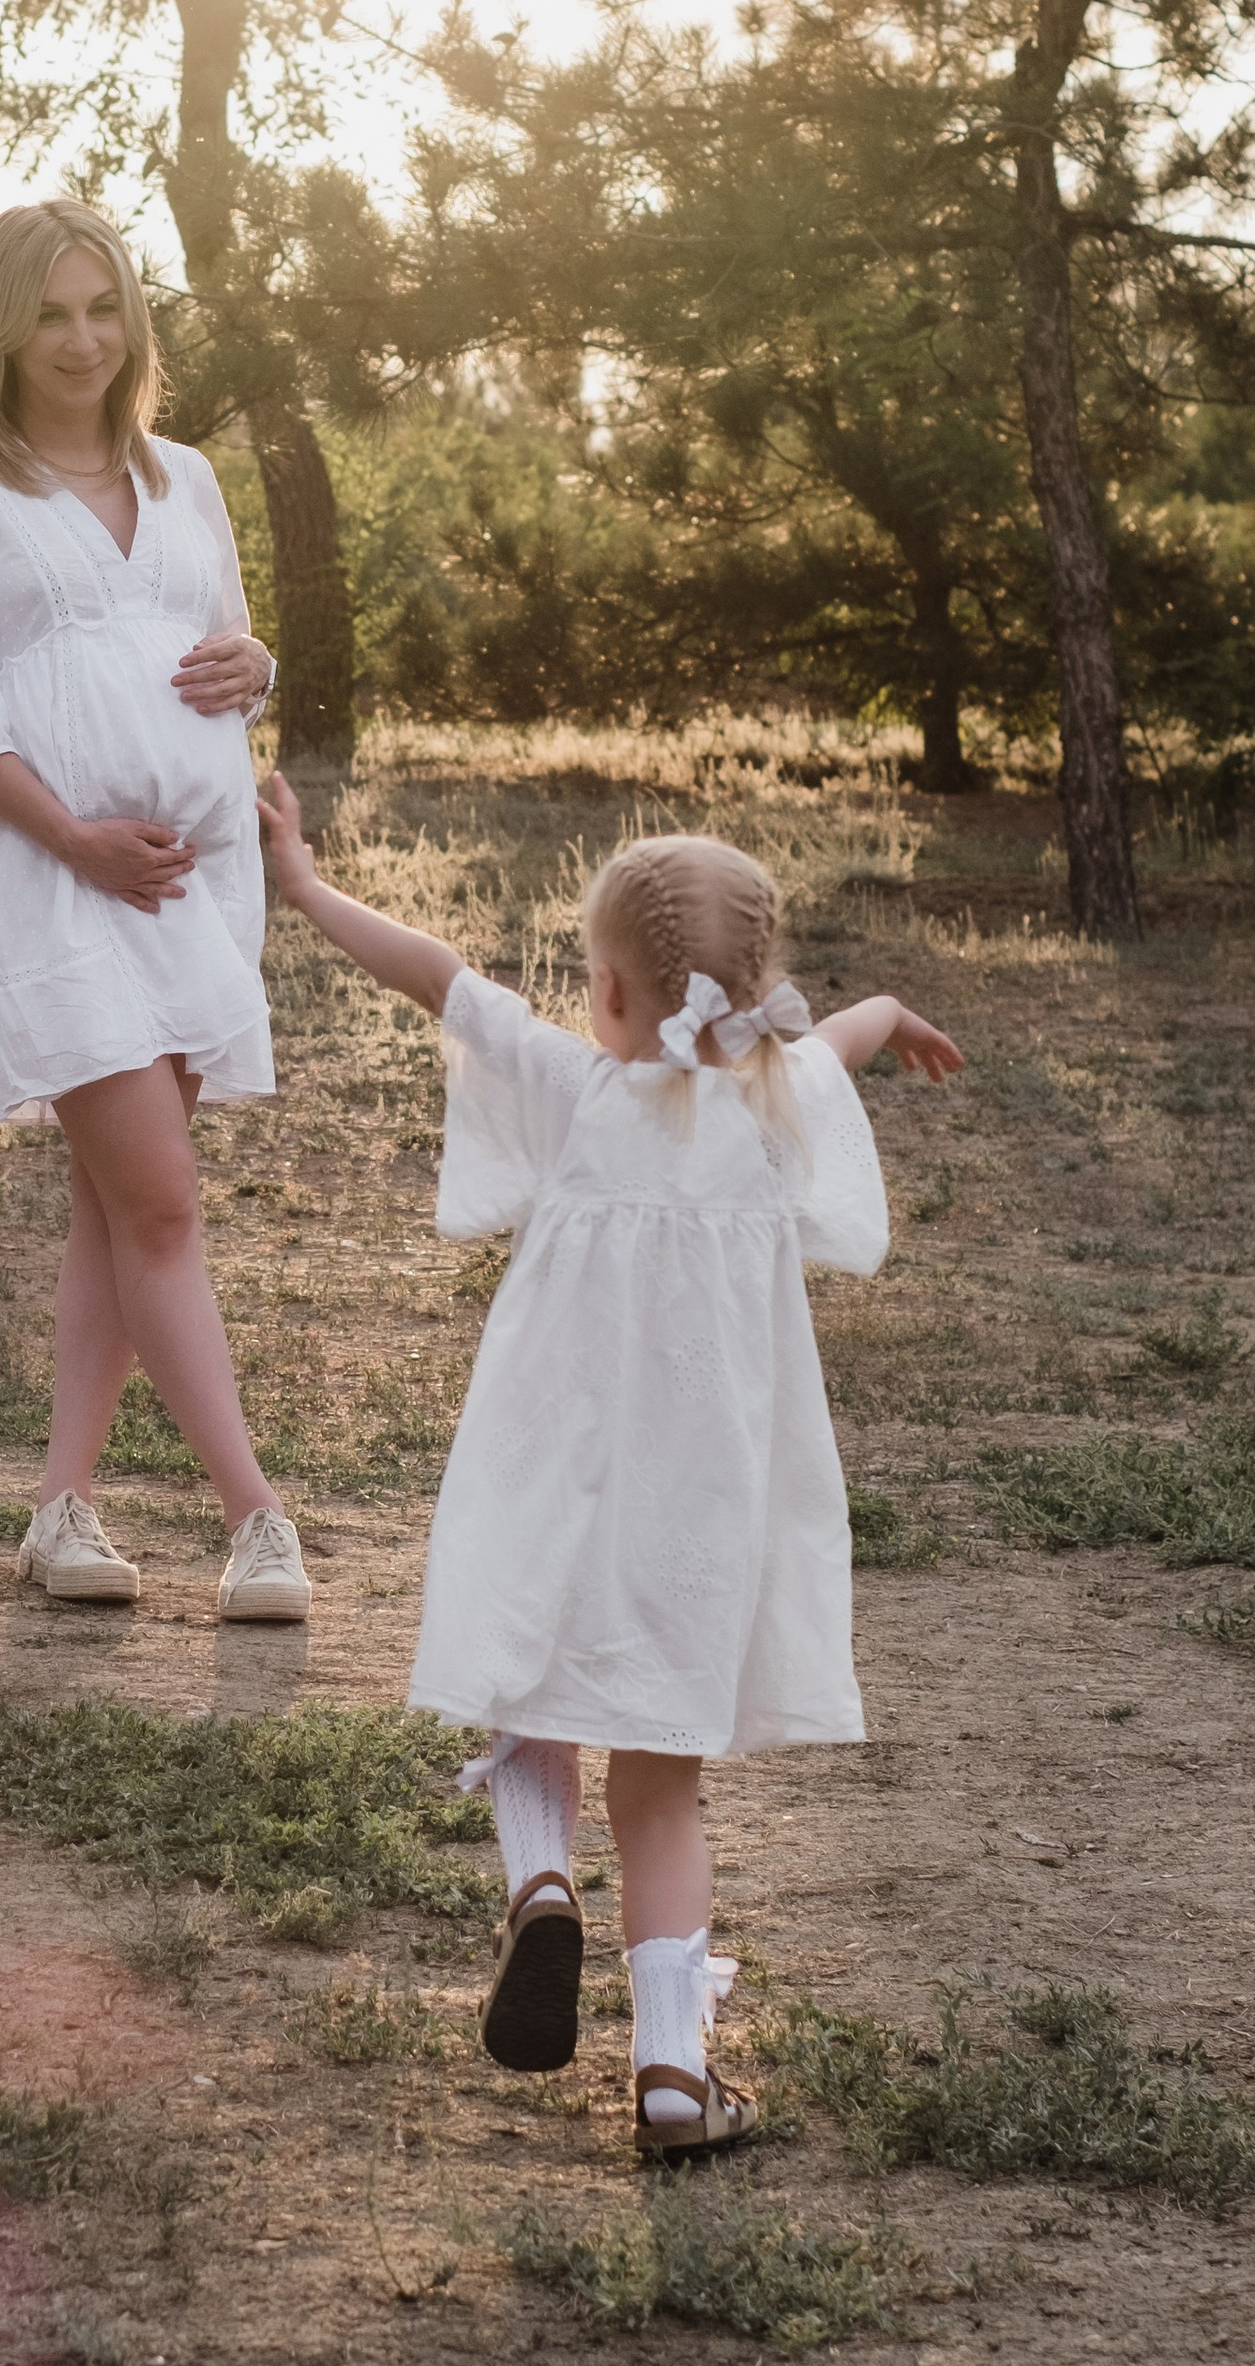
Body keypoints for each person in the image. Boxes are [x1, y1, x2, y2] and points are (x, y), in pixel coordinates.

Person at [257, 779, 961, 2157]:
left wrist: (304, 882)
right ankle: (674, 2071)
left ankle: (539, 1884)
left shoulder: (575, 1088)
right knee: (663, 1786)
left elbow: (438, 978)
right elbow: (841, 1037)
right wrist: (888, 1011)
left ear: (612, 988)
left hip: (557, 1476)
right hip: (701, 1517)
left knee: (532, 1700)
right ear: (752, 990)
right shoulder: (776, 1102)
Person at [0, 197, 311, 1624]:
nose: (82, 340)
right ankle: (256, 1516)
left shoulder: (185, 476)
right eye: (51, 315)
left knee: (114, 1208)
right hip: (50, 877)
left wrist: (258, 665)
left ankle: (61, 1509)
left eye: (104, 308)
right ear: (1, 331)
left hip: (190, 878)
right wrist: (77, 838)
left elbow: (225, 647)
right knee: (161, 1200)